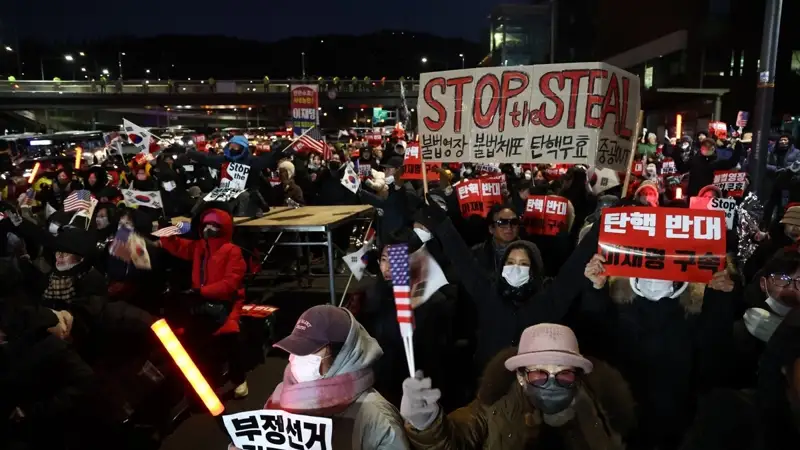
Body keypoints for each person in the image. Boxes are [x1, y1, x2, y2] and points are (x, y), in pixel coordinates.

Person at [400, 323, 635, 449]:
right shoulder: (492, 411)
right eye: (539, 375)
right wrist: (428, 427)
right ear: (521, 378)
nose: (551, 382)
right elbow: (454, 440)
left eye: (563, 375)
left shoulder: (601, 416)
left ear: (578, 378)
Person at [266, 305, 410, 450]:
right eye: (294, 348)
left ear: (341, 355)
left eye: (308, 350)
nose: (296, 358)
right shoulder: (280, 394)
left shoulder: (375, 415)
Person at [155, 205, 248, 397]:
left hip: (226, 305)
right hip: (200, 302)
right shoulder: (199, 247)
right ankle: (199, 379)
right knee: (190, 336)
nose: (208, 229)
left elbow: (230, 284)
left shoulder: (233, 251)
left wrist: (202, 291)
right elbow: (176, 245)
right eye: (206, 225)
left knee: (230, 338)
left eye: (214, 225)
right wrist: (166, 230)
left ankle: (239, 379)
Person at [470, 204, 520, 281]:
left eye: (514, 222)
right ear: (491, 229)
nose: (509, 227)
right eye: (502, 222)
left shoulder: (530, 252)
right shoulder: (476, 254)